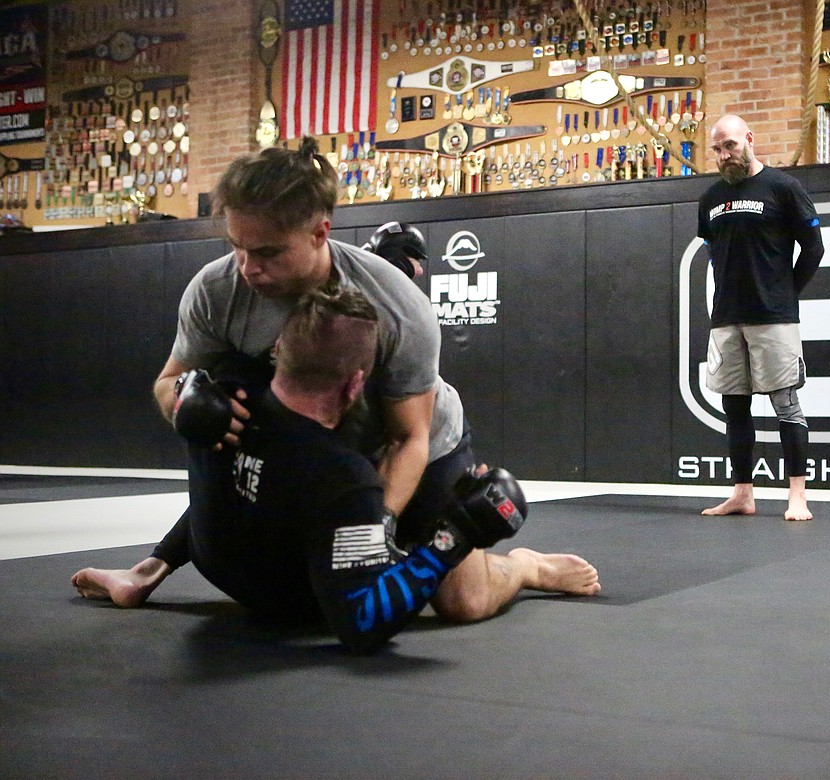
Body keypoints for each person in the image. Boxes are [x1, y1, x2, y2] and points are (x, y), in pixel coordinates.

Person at [71, 137, 600, 622]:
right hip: (318, 440)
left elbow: (408, 437)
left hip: (415, 444)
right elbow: (170, 381)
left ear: (320, 232)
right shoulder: (217, 289)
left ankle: (525, 567)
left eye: (269, 251)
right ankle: (151, 568)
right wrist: (186, 401)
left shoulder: (397, 307)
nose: (248, 267)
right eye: (238, 246)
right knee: (225, 407)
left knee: (464, 603)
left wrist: (376, 529)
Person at [76, 289, 528, 653]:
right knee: (455, 593)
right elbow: (361, 623)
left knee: (250, 478)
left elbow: (235, 484)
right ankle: (526, 568)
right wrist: (453, 539)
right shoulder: (346, 476)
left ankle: (147, 571)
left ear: (277, 350)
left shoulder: (226, 395)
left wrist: (182, 393)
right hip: (292, 600)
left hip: (221, 567)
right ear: (356, 384)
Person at [696, 114, 825, 521]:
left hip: (773, 317)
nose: (724, 155)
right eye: (717, 149)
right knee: (734, 408)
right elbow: (715, 254)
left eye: (730, 145)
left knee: (786, 405)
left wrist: (786, 294)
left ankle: (797, 497)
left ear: (749, 139)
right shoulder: (710, 199)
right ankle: (742, 493)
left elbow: (814, 248)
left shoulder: (784, 187)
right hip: (727, 319)